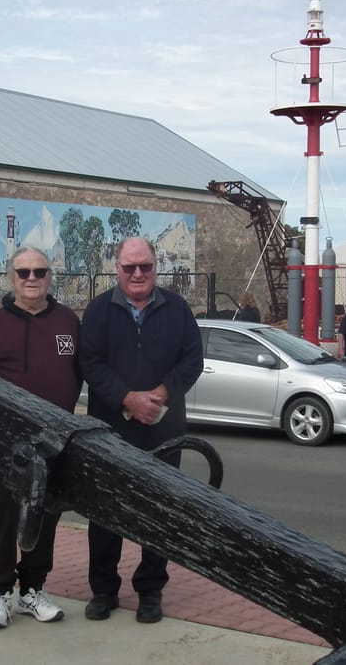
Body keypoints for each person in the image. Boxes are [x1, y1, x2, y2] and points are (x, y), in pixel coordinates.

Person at [78, 236, 204, 624]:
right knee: (104, 511)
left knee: (157, 510)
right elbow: (90, 363)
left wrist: (160, 395)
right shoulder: (98, 310)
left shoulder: (178, 309)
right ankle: (103, 590)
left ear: (155, 267)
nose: (137, 273)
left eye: (145, 266)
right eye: (129, 267)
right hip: (108, 428)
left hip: (163, 429)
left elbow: (192, 360)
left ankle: (150, 590)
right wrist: (127, 398)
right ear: (117, 268)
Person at [0, 245, 82, 629]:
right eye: (24, 273)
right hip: (2, 448)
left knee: (44, 519)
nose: (32, 279)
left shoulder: (69, 323)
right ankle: (0, 596)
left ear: (51, 277)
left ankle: (32, 590)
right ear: (10, 277)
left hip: (52, 446)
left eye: (40, 272)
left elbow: (81, 374)